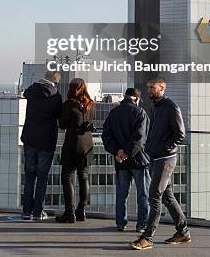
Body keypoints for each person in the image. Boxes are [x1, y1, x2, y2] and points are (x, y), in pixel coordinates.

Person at [130, 77, 191, 250]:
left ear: (162, 88)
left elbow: (180, 134)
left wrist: (163, 149)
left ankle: (147, 238)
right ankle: (183, 232)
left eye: (152, 87)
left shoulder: (171, 107)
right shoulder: (155, 107)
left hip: (165, 159)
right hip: (156, 158)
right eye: (148, 87)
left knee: (154, 196)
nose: (149, 90)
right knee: (167, 196)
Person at [102, 87, 150, 232]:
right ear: (136, 98)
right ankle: (142, 225)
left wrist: (118, 152)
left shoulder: (114, 112)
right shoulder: (140, 112)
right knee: (143, 194)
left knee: (122, 194)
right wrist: (127, 152)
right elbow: (140, 138)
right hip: (139, 160)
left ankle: (120, 223)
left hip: (120, 161)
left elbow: (106, 136)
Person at [20, 70, 62, 221]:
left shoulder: (32, 91)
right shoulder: (56, 96)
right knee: (42, 177)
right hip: (46, 140)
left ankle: (26, 211)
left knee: (29, 176)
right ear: (56, 83)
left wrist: (36, 83)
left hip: (30, 138)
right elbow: (59, 115)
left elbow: (25, 93)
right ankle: (38, 212)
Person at [56, 78, 94, 223]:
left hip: (73, 143)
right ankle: (81, 210)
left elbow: (62, 124)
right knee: (84, 177)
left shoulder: (69, 104)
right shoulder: (90, 104)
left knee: (67, 177)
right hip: (87, 144)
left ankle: (69, 212)